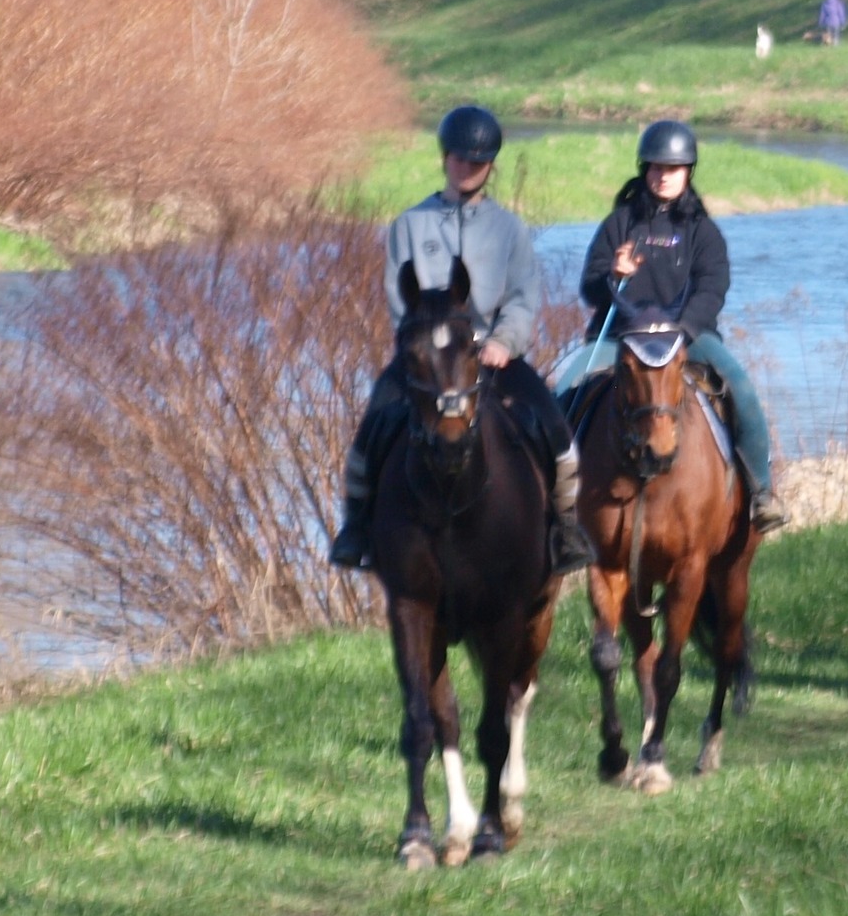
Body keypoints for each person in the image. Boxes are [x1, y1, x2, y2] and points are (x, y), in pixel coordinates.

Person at [329, 105, 596, 574]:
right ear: (445, 158)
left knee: (556, 429)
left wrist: (503, 343)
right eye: (459, 159)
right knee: (371, 429)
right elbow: (399, 298)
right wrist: (426, 348)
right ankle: (357, 528)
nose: (467, 168)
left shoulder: (509, 228)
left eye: (478, 162)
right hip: (426, 358)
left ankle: (565, 527)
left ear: (490, 165)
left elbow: (521, 296)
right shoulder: (409, 226)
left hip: (493, 355)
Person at [578, 120, 787, 534]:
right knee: (566, 388)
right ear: (644, 169)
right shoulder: (618, 224)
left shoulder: (704, 232)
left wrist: (683, 332)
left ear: (689, 171)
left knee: (741, 388)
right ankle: (558, 503)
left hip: (688, 337)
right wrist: (611, 276)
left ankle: (761, 492)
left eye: (673, 168)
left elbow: (713, 288)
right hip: (622, 337)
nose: (663, 175)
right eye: (656, 167)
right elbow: (589, 285)